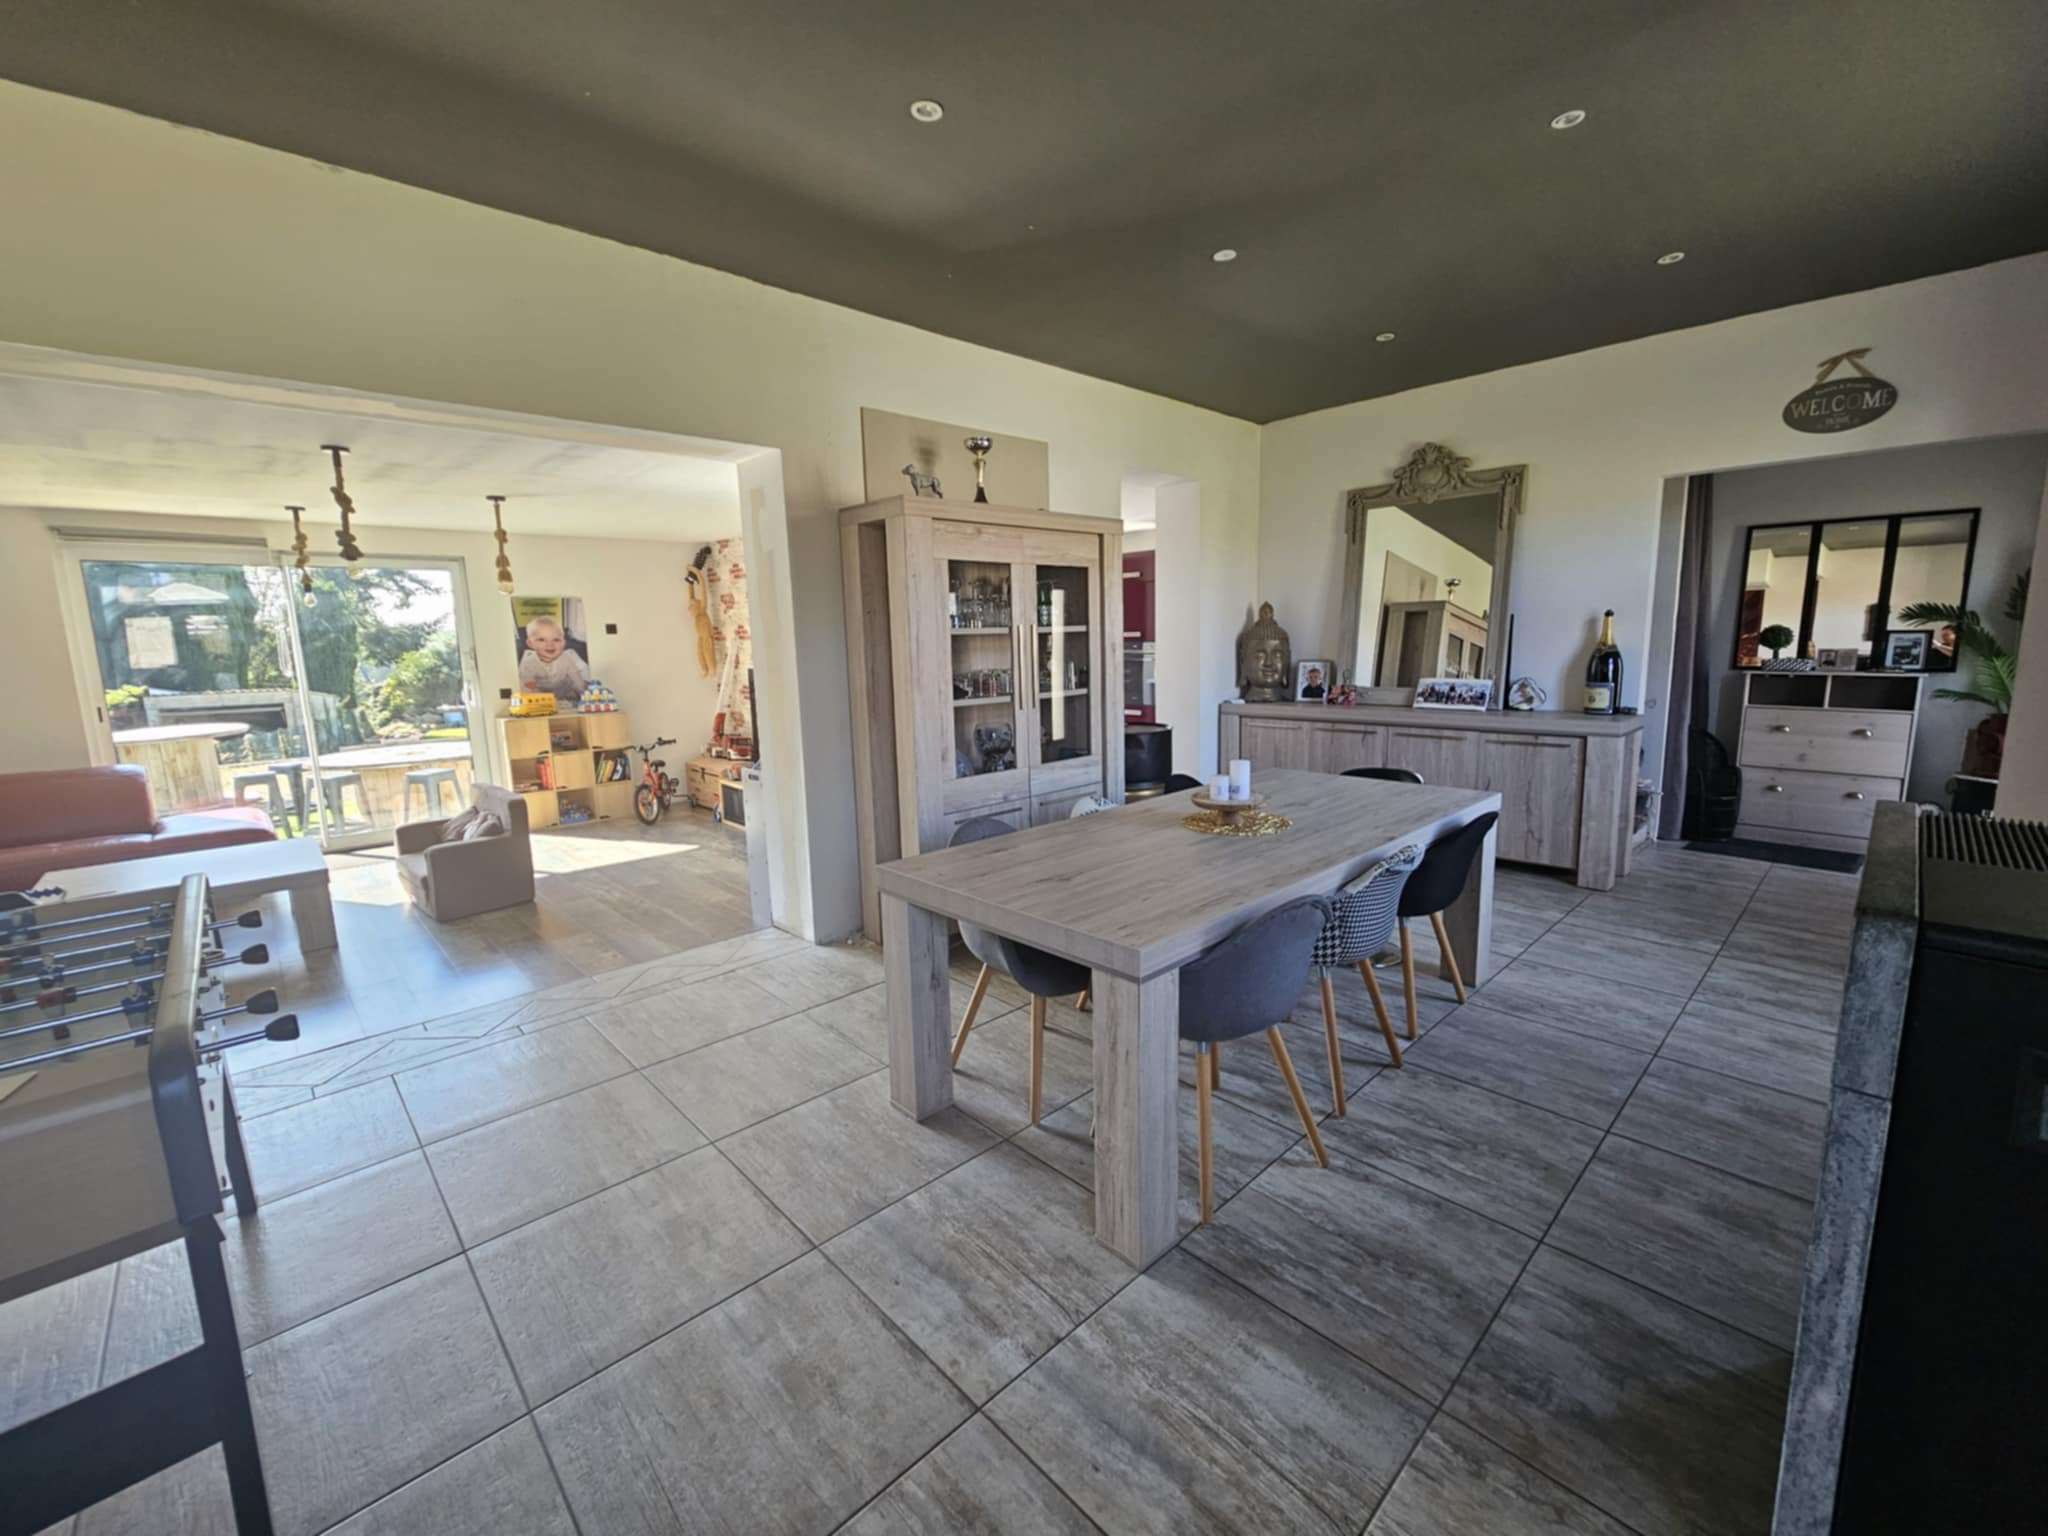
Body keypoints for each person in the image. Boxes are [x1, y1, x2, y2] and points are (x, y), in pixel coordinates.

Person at [519, 614, 590, 705]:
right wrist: (539, 701)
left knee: (582, 686)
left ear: (563, 643)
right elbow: (527, 687)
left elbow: (577, 679)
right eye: (541, 640)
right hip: (540, 695)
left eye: (556, 640)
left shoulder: (566, 658)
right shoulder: (528, 662)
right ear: (530, 644)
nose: (550, 644)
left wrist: (584, 693)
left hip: (564, 692)